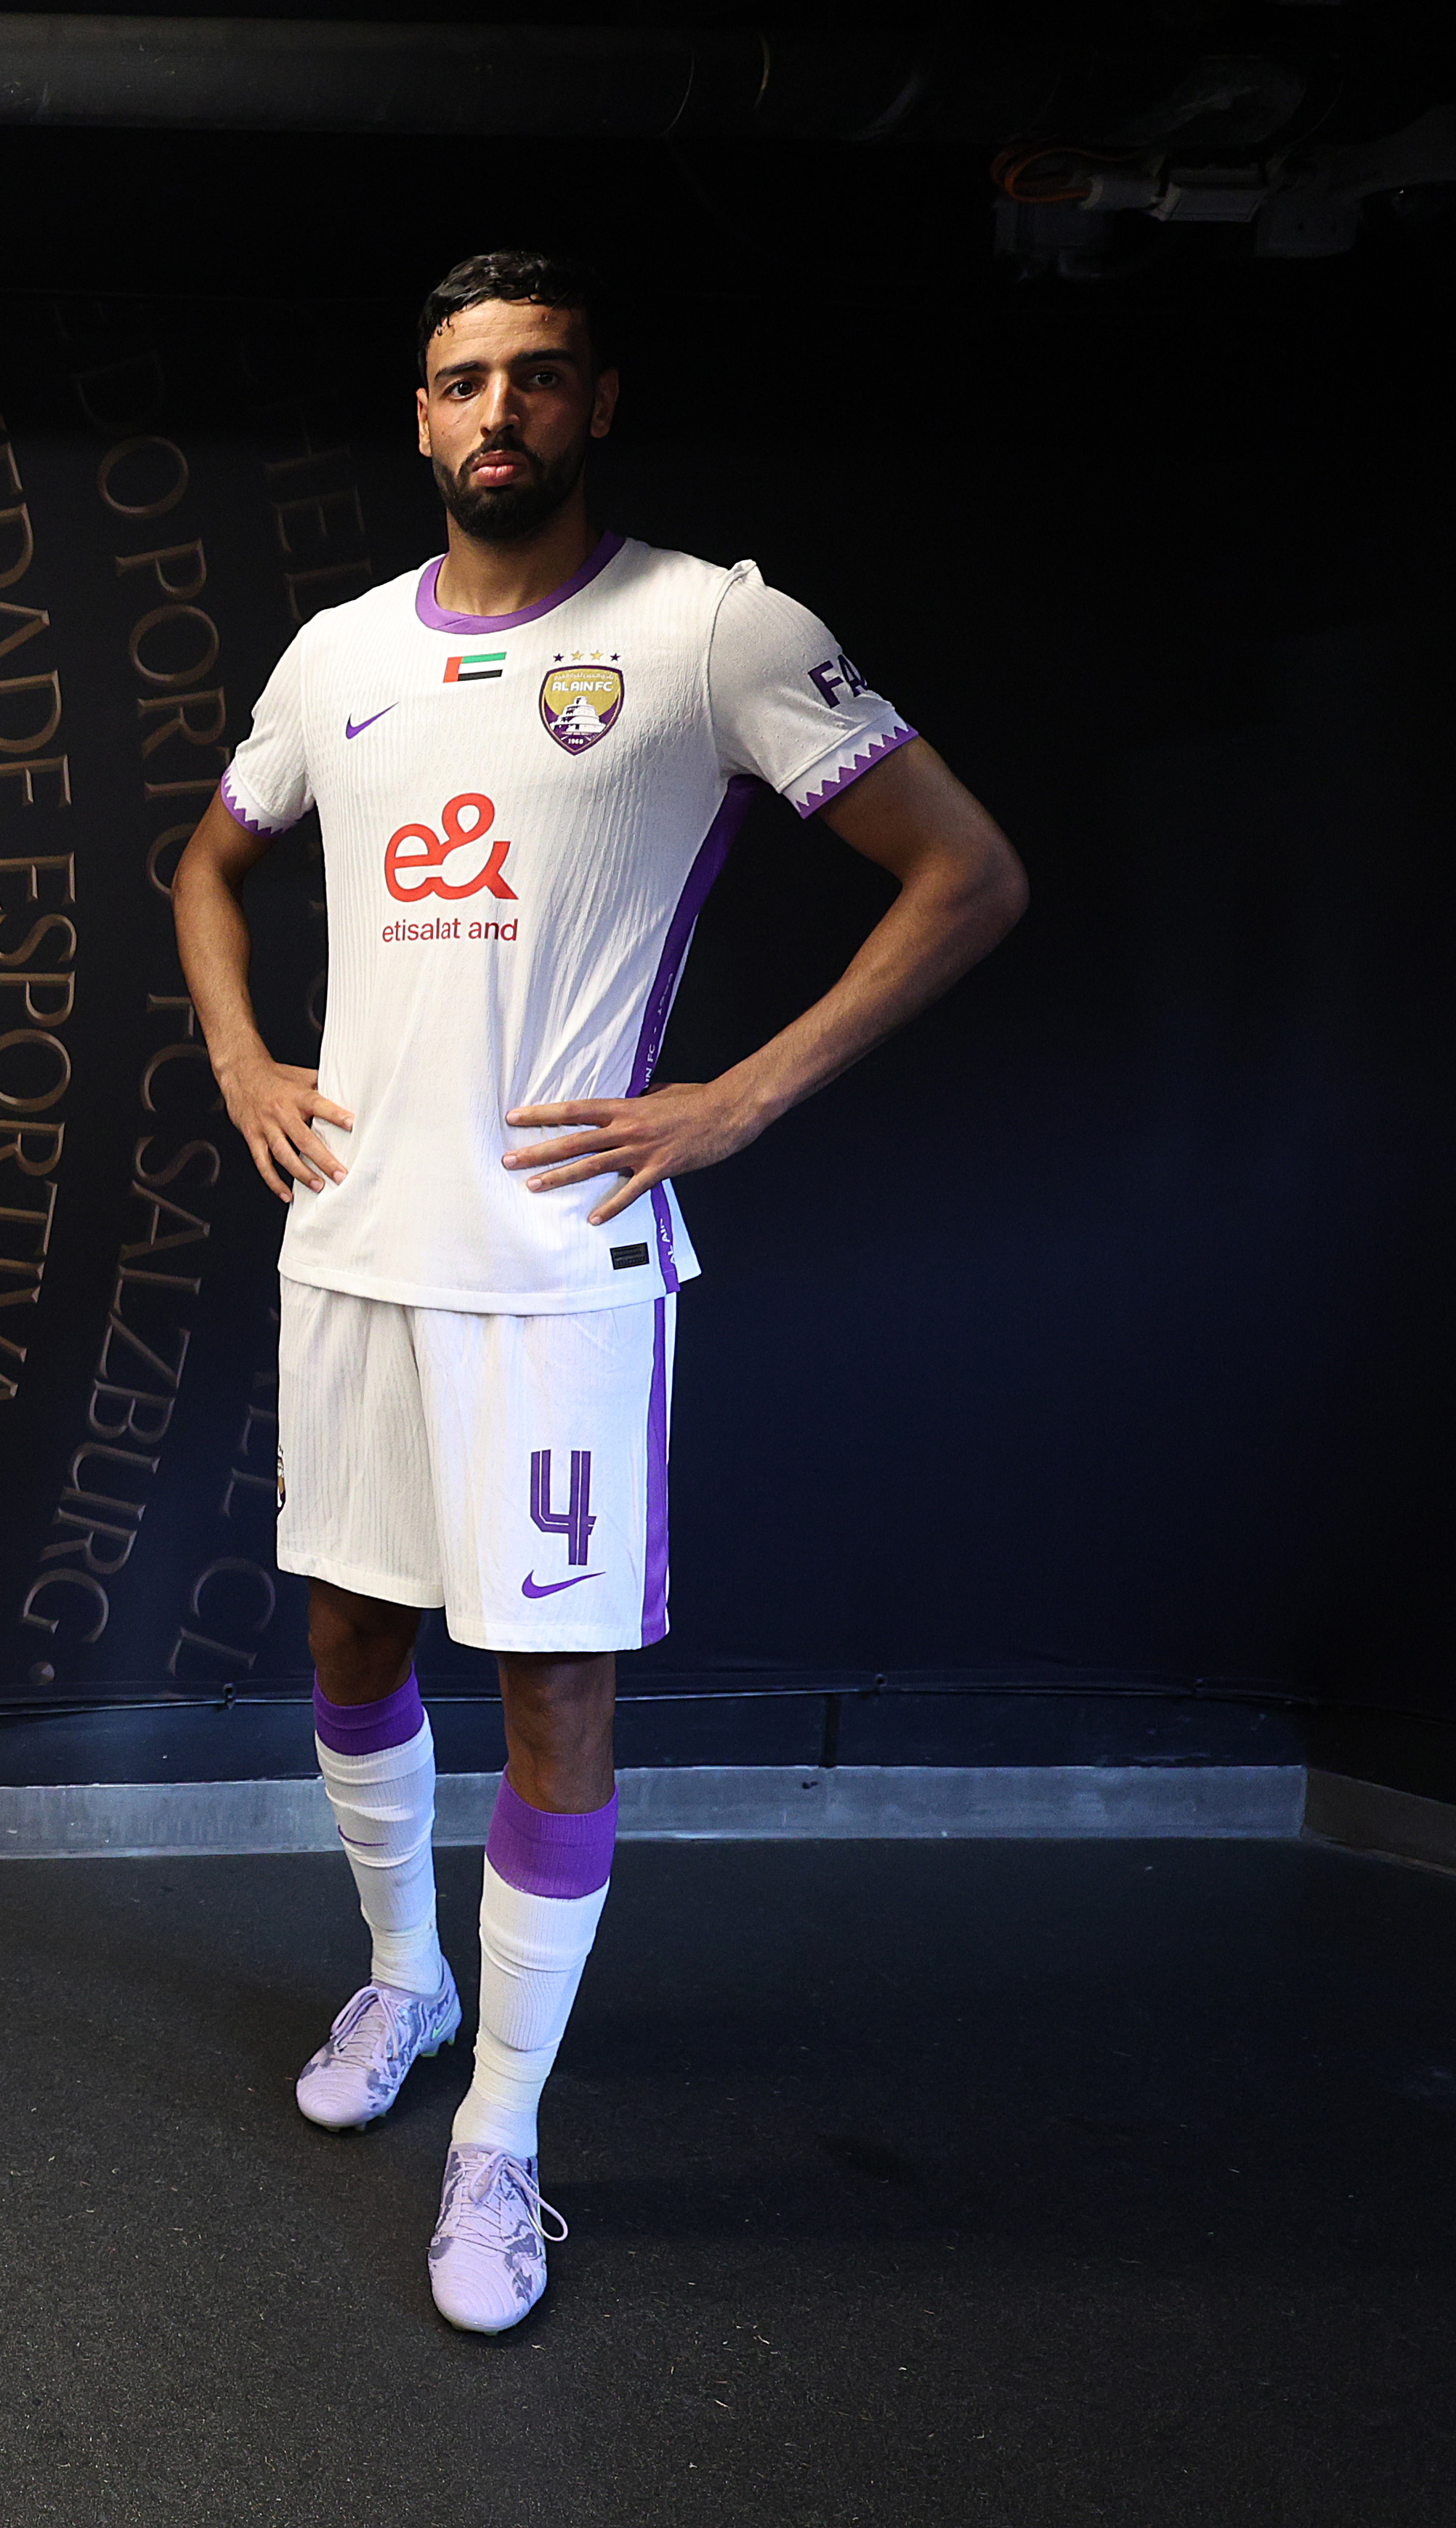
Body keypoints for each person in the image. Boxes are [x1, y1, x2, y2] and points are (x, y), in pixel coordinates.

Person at [170, 252, 1027, 2335]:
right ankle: (402, 1980)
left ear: (595, 401)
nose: (497, 412)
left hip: (559, 1269)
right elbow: (207, 864)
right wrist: (242, 1060)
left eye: (535, 378)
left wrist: (735, 1099)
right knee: (349, 1640)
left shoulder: (711, 628)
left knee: (550, 1693)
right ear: (418, 414)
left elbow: (967, 874)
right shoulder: (335, 653)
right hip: (352, 1244)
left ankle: (500, 2129)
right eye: (461, 380)